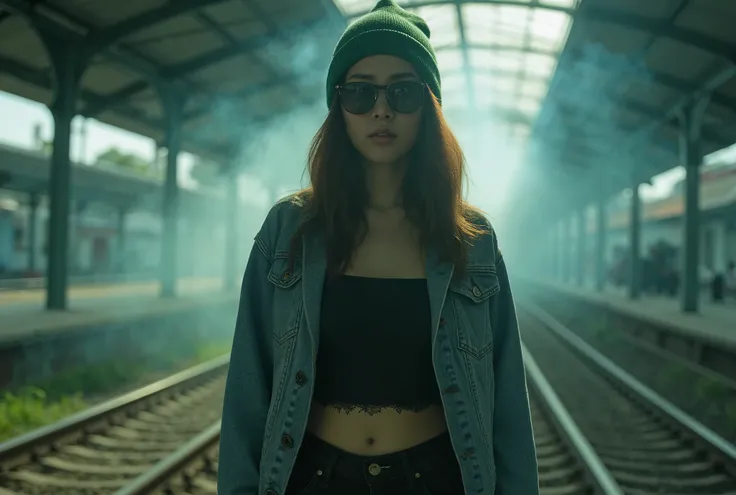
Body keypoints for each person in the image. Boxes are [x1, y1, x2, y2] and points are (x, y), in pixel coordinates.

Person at [217, 1, 539, 493]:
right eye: (361, 92)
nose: (381, 109)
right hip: (315, 479)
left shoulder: (471, 239)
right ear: (338, 106)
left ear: (429, 106)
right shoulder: (289, 230)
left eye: (403, 92)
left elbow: (509, 410)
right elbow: (247, 392)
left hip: (434, 480)